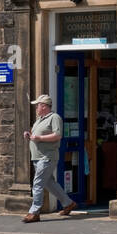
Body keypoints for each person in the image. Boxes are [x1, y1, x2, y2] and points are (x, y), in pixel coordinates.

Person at [22, 94, 76, 223]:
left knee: (38, 183)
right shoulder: (39, 119)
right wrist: (29, 135)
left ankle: (34, 212)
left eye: (37, 106)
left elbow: (57, 135)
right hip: (38, 157)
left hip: (47, 157)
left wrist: (39, 138)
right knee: (49, 183)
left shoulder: (54, 118)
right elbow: (37, 134)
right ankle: (68, 203)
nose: (36, 108)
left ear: (44, 106)